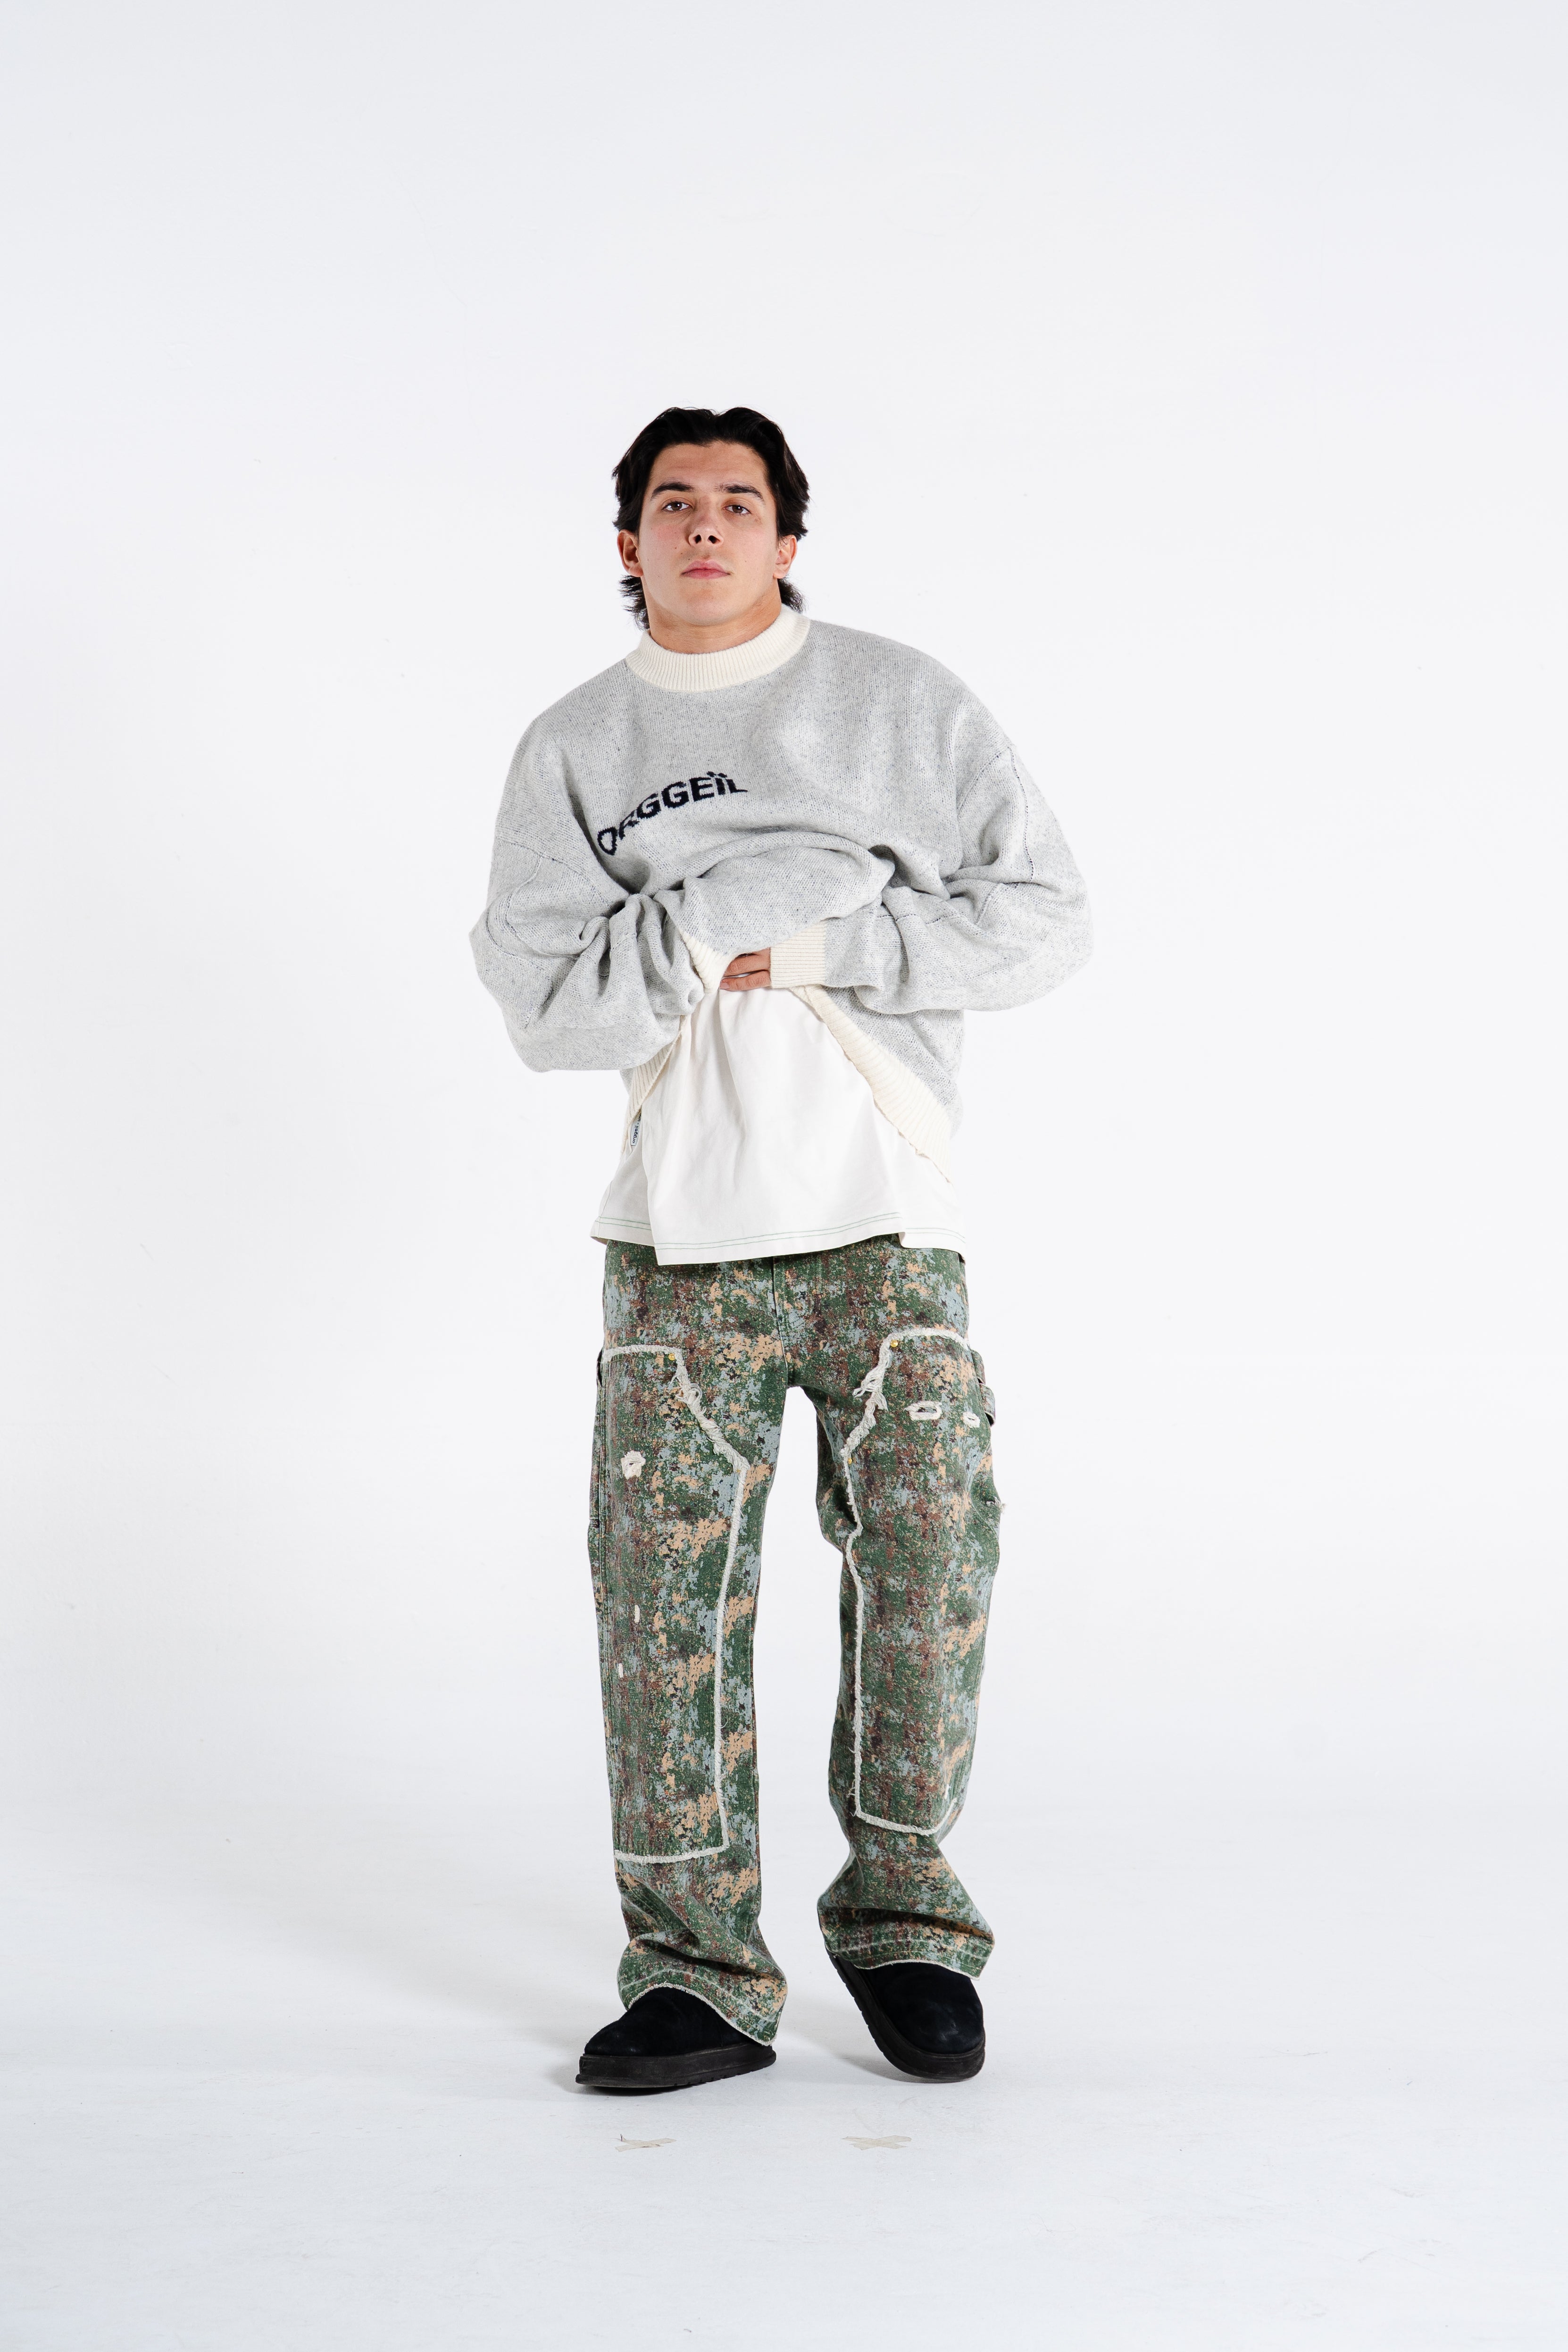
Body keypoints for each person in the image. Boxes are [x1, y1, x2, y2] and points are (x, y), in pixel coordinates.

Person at [471, 405, 1091, 2094]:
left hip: (888, 1222)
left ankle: (903, 1925)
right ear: (626, 541)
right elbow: (545, 1004)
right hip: (678, 1239)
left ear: (787, 537)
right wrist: (723, 909)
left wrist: (822, 939)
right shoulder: (574, 746)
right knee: (661, 1608)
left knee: (931, 1575)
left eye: (738, 503)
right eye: (671, 502)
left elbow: (1043, 914)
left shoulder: (897, 701)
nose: (704, 525)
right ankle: (696, 1973)